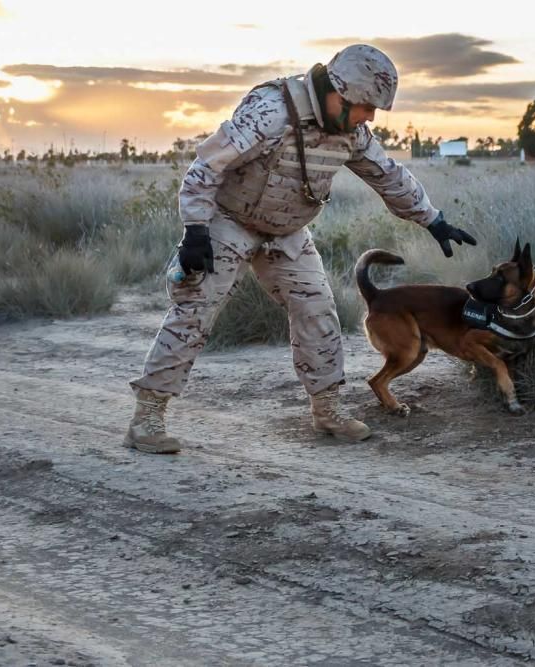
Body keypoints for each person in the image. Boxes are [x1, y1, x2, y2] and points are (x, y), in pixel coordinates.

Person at [125, 44, 477, 454]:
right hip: (228, 222)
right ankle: (147, 417)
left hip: (287, 231)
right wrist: (196, 229)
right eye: (365, 107)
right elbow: (208, 165)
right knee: (194, 311)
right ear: (338, 94)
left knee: (317, 311)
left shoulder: (350, 132)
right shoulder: (270, 112)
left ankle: (327, 410)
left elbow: (388, 175)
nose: (369, 118)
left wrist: (431, 219)